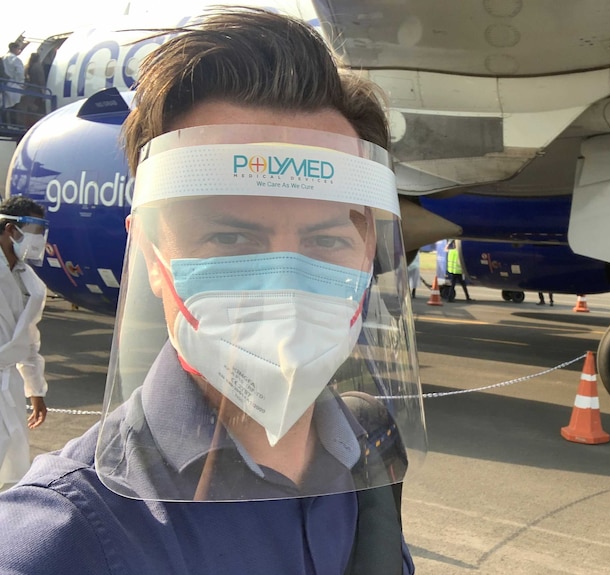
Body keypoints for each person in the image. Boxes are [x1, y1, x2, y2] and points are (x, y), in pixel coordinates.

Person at [0, 8, 427, 574]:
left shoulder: (367, 458)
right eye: (230, 236)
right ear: (150, 253)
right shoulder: (61, 542)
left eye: (326, 240)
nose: (285, 282)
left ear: (368, 244)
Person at [0, 196, 49, 489]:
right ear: (10, 229)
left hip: (10, 385)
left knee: (13, 464)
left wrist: (35, 390)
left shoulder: (30, 281)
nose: (38, 239)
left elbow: (30, 340)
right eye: (33, 230)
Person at [2, 41, 25, 114]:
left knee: (4, 103)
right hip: (14, 84)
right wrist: (21, 83)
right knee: (15, 104)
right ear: (14, 48)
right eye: (18, 48)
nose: (19, 50)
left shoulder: (3, 58)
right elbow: (20, 73)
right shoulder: (16, 59)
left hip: (4, 83)